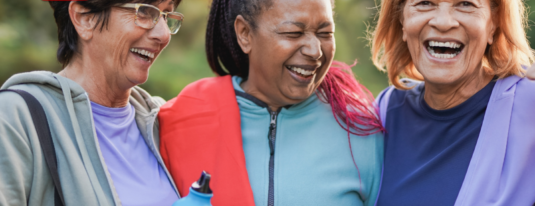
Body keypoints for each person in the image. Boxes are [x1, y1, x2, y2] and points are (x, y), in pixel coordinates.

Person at [158, 0, 385, 205]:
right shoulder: (180, 121)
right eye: (294, 32)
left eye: (325, 33)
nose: (315, 51)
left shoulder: (361, 130)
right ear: (245, 33)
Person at [0, 0, 184, 205]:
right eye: (145, 12)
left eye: (166, 14)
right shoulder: (16, 118)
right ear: (84, 18)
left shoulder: (164, 120)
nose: (164, 34)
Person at [371, 0, 535, 205]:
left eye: (466, 4)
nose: (443, 22)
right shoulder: (385, 111)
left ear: (494, 24)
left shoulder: (530, 107)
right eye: (425, 3)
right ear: (402, 20)